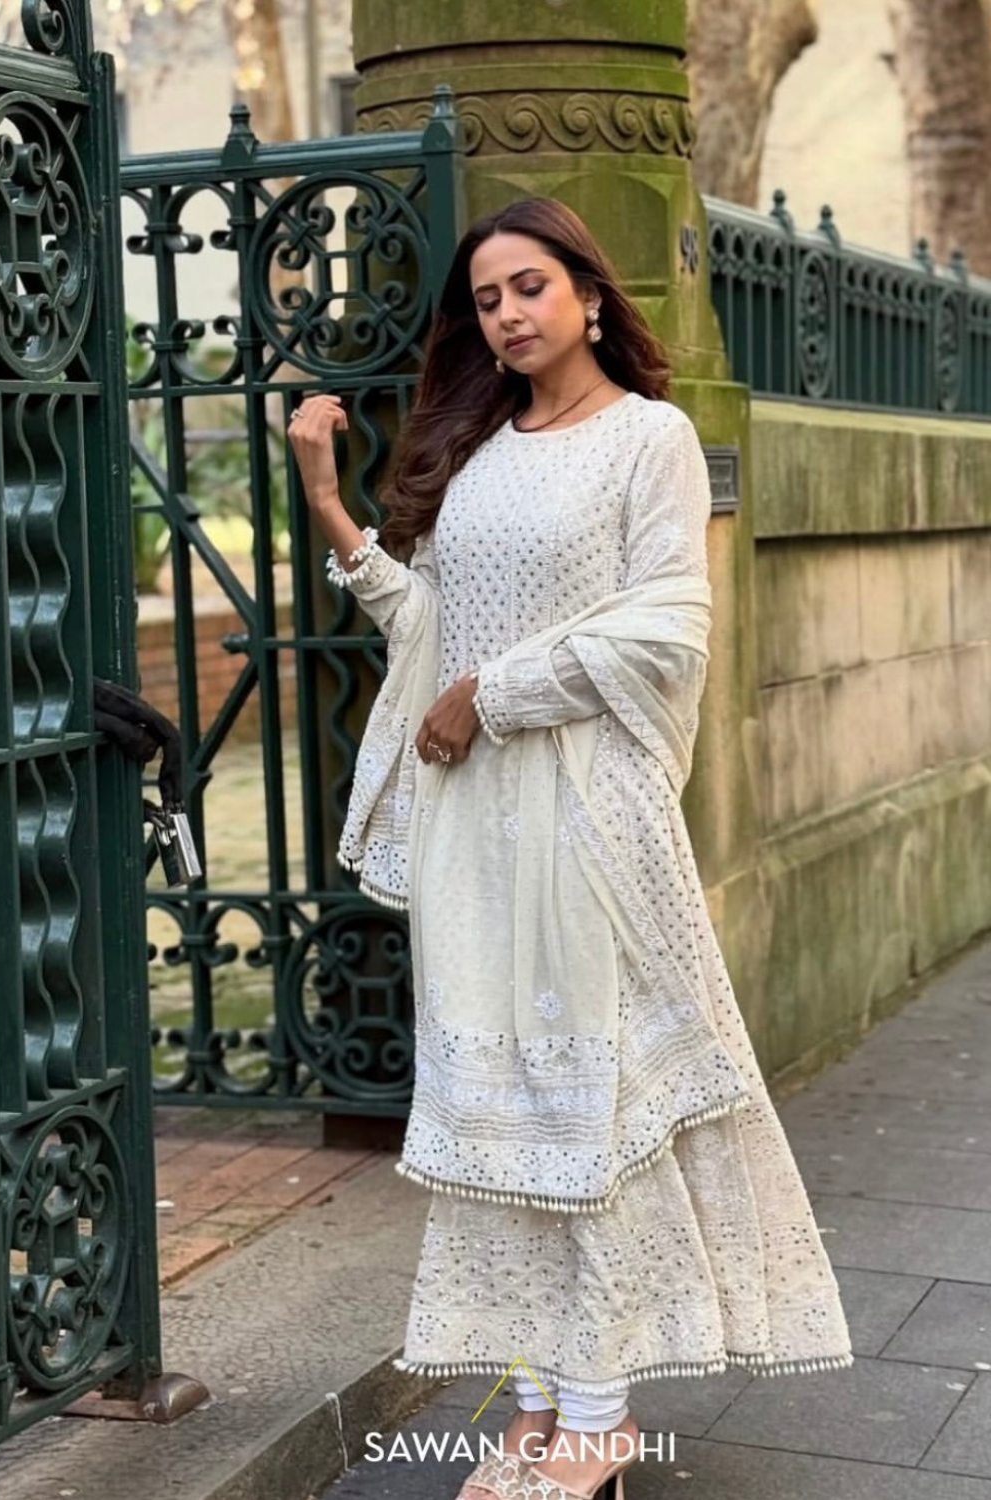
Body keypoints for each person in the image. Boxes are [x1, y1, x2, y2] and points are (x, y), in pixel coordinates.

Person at [287, 196, 852, 1500]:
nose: (507, 315)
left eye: (529, 286)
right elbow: (431, 627)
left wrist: (495, 694)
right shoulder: (482, 451)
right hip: (476, 838)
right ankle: (540, 1406)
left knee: (585, 1114)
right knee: (503, 1122)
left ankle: (599, 1420)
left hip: (588, 824)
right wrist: (327, 503)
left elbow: (669, 630)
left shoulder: (649, 439)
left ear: (590, 296)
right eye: (487, 299)